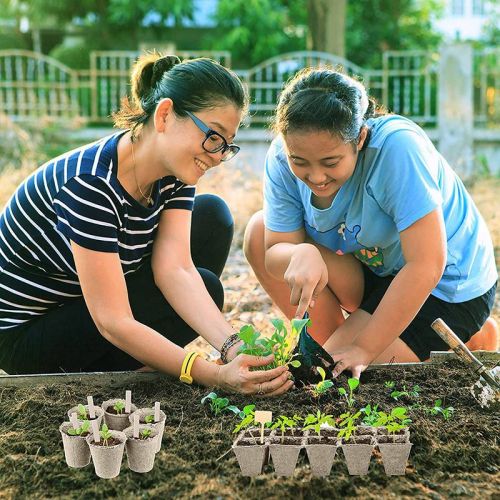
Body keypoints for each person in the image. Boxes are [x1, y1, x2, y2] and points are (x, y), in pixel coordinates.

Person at [0, 53, 293, 397]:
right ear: (165, 114)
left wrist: (232, 346)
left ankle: (141, 361)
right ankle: (137, 364)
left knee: (210, 219)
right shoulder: (90, 184)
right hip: (29, 335)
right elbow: (113, 321)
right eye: (213, 137)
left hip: (86, 302)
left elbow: (176, 271)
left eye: (225, 145)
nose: (216, 156)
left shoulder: (174, 173)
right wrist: (211, 374)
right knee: (208, 287)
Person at [244, 68, 498, 379]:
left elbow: (427, 263)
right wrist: (299, 254)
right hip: (377, 269)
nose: (316, 177)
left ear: (360, 138)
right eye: (300, 161)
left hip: (445, 284)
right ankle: (339, 343)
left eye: (330, 162)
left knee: (349, 371)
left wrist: (364, 348)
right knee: (259, 232)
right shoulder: (282, 159)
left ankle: (473, 336)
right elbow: (272, 252)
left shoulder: (398, 149)